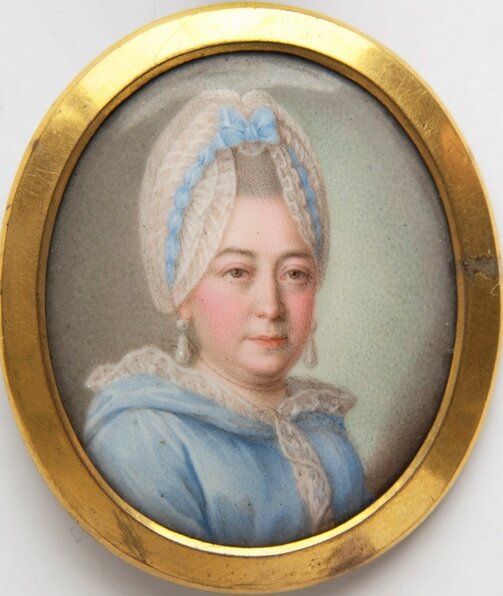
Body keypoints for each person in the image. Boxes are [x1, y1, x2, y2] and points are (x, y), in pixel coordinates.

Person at [84, 90, 372, 547]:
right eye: (237, 272)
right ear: (184, 294)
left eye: (294, 274)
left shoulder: (327, 439)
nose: (271, 306)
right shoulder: (143, 437)